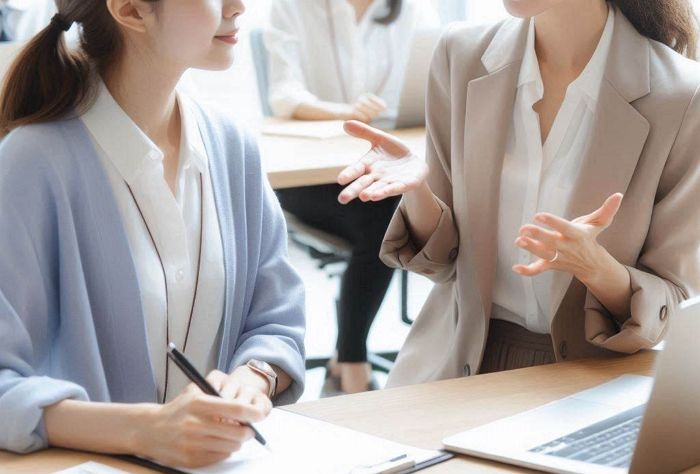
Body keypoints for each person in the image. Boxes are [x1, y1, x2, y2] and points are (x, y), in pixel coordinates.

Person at [0, 0, 305, 468]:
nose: (239, 6)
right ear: (131, 10)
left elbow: (277, 321)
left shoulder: (231, 146)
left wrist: (251, 379)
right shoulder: (32, 162)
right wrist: (143, 430)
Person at [337, 0, 700, 387]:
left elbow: (674, 305)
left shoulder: (682, 96)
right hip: (455, 362)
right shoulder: (460, 55)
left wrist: (594, 266)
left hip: (591, 379)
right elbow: (441, 263)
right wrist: (417, 192)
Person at [265, 0, 438, 395]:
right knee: (385, 213)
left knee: (387, 202)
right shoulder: (293, 8)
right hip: (310, 178)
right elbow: (284, 94)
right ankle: (354, 360)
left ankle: (346, 358)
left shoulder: (413, 10)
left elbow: (431, 83)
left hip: (385, 167)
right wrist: (343, 111)